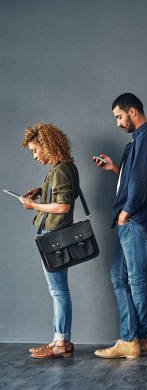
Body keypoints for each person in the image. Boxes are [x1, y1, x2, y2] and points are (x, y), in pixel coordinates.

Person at [93, 93, 147, 359]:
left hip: (134, 220)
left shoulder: (146, 138)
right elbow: (135, 176)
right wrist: (115, 168)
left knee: (132, 280)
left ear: (132, 111)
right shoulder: (142, 140)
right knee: (126, 278)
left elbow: (141, 182)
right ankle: (141, 339)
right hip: (133, 219)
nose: (118, 123)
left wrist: (126, 212)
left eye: (119, 116)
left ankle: (130, 339)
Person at [19, 123, 79, 358]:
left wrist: (33, 205)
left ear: (47, 145)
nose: (34, 155)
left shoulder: (61, 169)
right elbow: (62, 195)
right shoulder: (64, 167)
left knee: (58, 291)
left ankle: (59, 343)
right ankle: (63, 340)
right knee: (59, 290)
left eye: (35, 150)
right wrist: (41, 190)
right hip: (56, 237)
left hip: (53, 237)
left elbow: (64, 206)